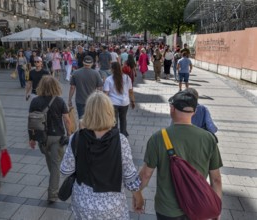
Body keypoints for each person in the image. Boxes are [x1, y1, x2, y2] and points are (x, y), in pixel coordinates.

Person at [136, 90, 223, 219]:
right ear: (194, 112)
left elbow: (146, 174)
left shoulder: (158, 138)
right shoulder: (209, 139)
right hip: (198, 206)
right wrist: (216, 208)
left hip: (167, 209)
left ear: (172, 109)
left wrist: (137, 193)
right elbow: (216, 180)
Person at [60, 92, 143, 219]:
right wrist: (138, 196)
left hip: (83, 203)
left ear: (87, 112)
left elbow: (66, 170)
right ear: (109, 112)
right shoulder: (121, 140)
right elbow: (129, 175)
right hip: (112, 205)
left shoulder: (76, 138)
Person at [29, 75, 71, 202]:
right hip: (57, 137)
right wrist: (69, 134)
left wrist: (31, 138)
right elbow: (67, 120)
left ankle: (54, 179)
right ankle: (52, 194)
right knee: (55, 165)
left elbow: (31, 121)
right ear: (55, 86)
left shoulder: (35, 101)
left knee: (52, 162)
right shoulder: (59, 101)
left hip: (42, 138)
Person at [104, 62, 135, 137]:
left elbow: (106, 93)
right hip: (125, 102)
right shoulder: (127, 78)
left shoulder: (109, 79)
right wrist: (133, 101)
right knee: (123, 119)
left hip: (113, 103)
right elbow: (130, 91)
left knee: (114, 120)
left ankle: (115, 135)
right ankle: (123, 135)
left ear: (112, 69)